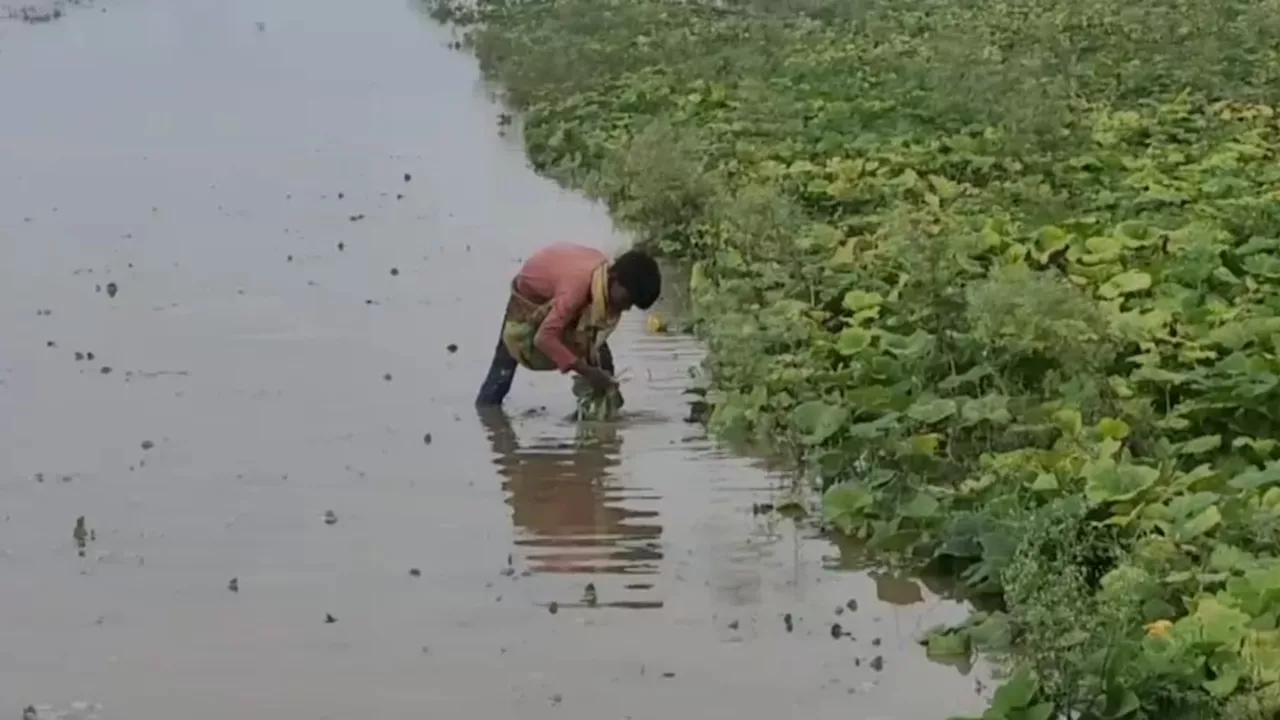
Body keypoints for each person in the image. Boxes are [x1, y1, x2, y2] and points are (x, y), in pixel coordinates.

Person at [475, 242, 661, 407]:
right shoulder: (578, 289)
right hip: (528, 305)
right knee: (501, 375)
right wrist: (587, 371)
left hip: (559, 292)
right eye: (627, 300)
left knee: (600, 356)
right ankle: (490, 419)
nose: (626, 308)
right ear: (613, 277)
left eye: (632, 305)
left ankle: (600, 422)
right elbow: (544, 338)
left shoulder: (601, 281)